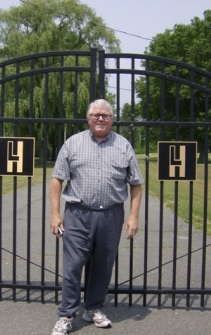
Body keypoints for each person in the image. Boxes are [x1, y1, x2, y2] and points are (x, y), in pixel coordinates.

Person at [49, 99, 143, 335]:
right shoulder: (72, 143)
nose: (101, 118)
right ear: (88, 118)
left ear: (112, 119)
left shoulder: (123, 145)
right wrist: (55, 214)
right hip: (78, 214)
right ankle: (66, 315)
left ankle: (92, 308)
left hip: (111, 215)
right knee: (73, 267)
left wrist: (133, 216)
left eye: (106, 115)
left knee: (102, 266)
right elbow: (57, 179)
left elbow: (136, 184)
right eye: (96, 114)